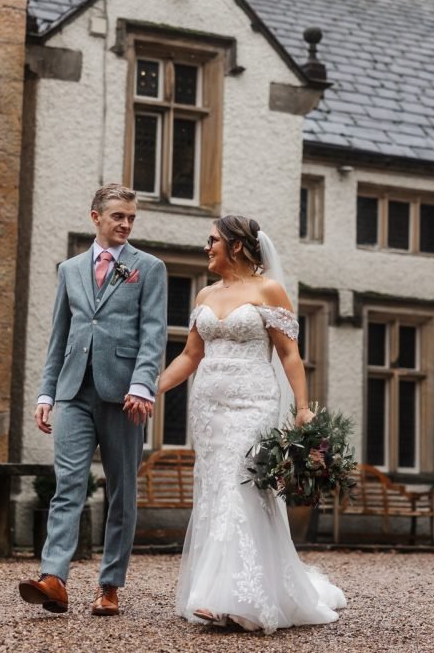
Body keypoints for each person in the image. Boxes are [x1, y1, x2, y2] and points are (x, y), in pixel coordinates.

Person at [157, 214, 346, 634]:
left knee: (240, 485)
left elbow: (289, 355)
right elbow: (191, 356)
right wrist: (154, 389)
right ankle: (223, 590)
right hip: (209, 407)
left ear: (236, 246)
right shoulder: (205, 293)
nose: (206, 248)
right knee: (215, 487)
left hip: (254, 403)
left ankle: (230, 599)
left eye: (212, 241)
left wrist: (302, 408)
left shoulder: (269, 290)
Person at [18, 184, 167, 616]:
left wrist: (142, 385)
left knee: (121, 491)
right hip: (73, 393)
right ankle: (54, 579)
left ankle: (110, 585)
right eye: (118, 216)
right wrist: (47, 392)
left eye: (131, 218)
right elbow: (58, 337)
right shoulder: (70, 269)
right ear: (95, 217)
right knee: (68, 484)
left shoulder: (149, 268)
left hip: (125, 397)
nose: (125, 224)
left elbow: (154, 334)